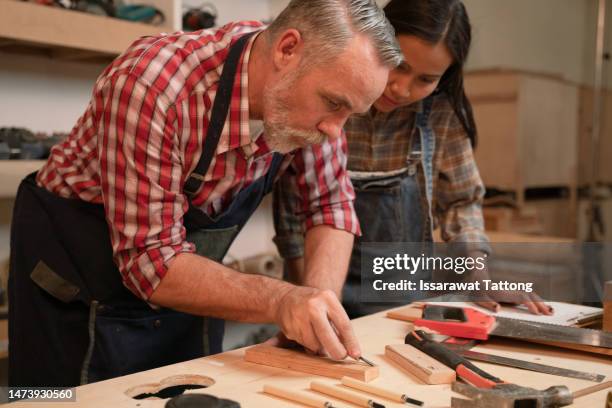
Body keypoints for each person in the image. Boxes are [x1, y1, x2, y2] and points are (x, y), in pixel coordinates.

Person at [8, 0, 403, 387]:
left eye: (350, 113)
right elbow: (150, 261)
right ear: (287, 49)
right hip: (75, 291)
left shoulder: (318, 106)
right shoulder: (152, 84)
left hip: (180, 289)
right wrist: (282, 300)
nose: (336, 130)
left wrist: (317, 310)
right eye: (334, 103)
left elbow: (329, 204)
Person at [273, 0, 553, 318]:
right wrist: (300, 297)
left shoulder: (440, 113)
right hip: (311, 283)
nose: (402, 89)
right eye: (399, 65)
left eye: (425, 79)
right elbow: (294, 201)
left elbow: (461, 203)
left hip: (398, 300)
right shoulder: (333, 96)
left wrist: (478, 278)